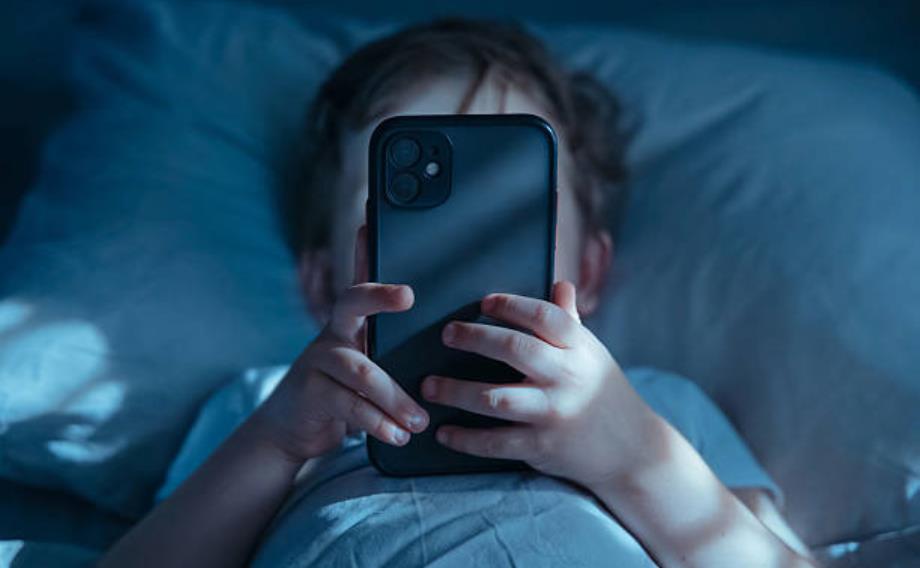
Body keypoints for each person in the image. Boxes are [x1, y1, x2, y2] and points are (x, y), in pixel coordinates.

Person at [101, 19, 817, 567]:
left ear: (590, 274)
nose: (461, 247)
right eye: (404, 208)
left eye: (511, 212)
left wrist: (630, 455)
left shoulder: (658, 406)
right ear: (324, 281)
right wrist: (277, 444)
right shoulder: (268, 403)